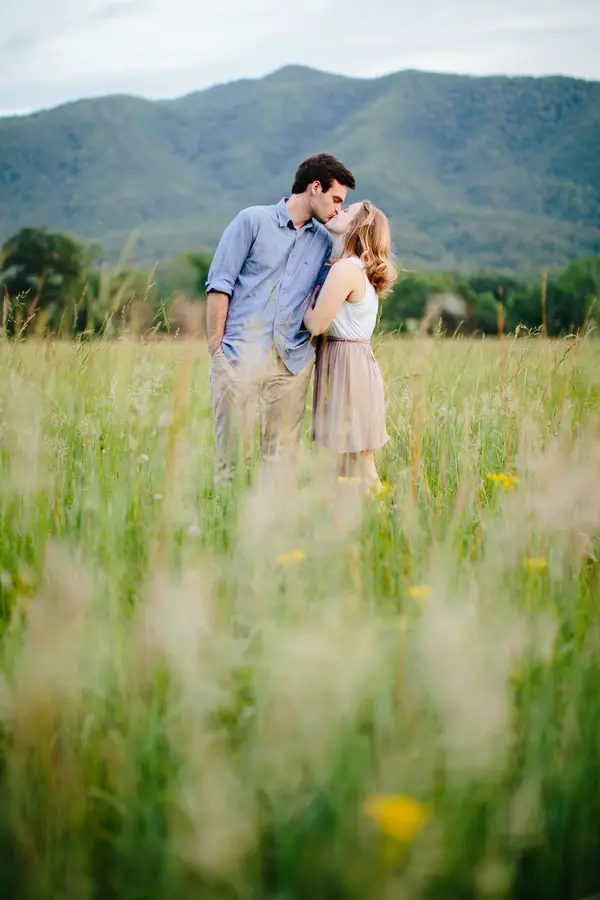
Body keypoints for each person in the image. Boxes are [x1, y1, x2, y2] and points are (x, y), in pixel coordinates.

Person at [205, 153, 356, 478]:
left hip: (292, 367)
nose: (337, 210)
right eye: (336, 199)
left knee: (279, 467)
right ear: (315, 187)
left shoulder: (325, 243)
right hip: (238, 359)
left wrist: (341, 233)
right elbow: (220, 284)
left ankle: (271, 528)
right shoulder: (251, 221)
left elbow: (328, 295)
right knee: (230, 464)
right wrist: (217, 350)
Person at [303, 201, 396, 489]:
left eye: (347, 211)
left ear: (357, 226)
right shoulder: (358, 269)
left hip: (347, 365)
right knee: (346, 465)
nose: (339, 211)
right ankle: (364, 523)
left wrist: (305, 307)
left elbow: (317, 325)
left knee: (358, 464)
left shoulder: (346, 269)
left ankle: (386, 518)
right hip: (351, 362)